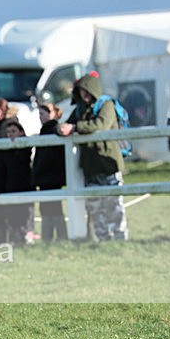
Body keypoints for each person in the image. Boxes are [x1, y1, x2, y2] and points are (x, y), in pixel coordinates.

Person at [58, 72, 128, 241]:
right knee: (95, 206)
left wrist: (74, 128)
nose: (84, 94)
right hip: (90, 166)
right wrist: (59, 129)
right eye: (81, 91)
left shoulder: (107, 105)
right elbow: (67, 124)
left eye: (87, 90)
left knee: (113, 203)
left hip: (109, 163)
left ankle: (119, 238)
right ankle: (102, 238)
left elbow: (101, 125)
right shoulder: (79, 109)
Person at [32, 103, 67, 241]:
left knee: (52, 207)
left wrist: (38, 171)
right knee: (49, 207)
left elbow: (48, 156)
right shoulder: (46, 129)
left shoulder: (52, 129)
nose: (40, 117)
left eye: (42, 114)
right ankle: (51, 236)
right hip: (48, 175)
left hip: (50, 175)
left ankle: (55, 236)